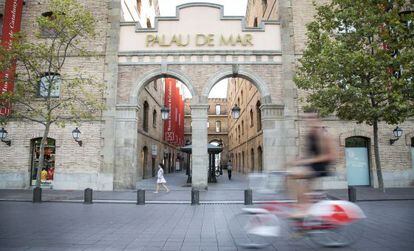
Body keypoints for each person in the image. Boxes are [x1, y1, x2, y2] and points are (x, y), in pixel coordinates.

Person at [286, 112, 336, 217]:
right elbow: (309, 154)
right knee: (293, 178)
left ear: (317, 119)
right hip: (312, 165)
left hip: (322, 166)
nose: (308, 120)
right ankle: (303, 207)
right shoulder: (310, 134)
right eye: (306, 118)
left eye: (311, 117)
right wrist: (296, 160)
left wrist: (306, 161)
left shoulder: (323, 134)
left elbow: (330, 156)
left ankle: (303, 208)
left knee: (292, 176)